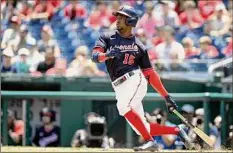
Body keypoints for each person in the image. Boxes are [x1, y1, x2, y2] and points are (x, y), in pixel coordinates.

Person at [91, 5, 193, 151]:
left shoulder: (139, 46)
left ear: (131, 21)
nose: (117, 20)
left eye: (122, 17)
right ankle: (177, 130)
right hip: (119, 86)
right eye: (117, 17)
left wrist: (166, 96)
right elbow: (95, 57)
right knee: (141, 128)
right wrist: (106, 55)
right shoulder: (107, 37)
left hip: (134, 79)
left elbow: (150, 74)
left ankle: (151, 142)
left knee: (122, 107)